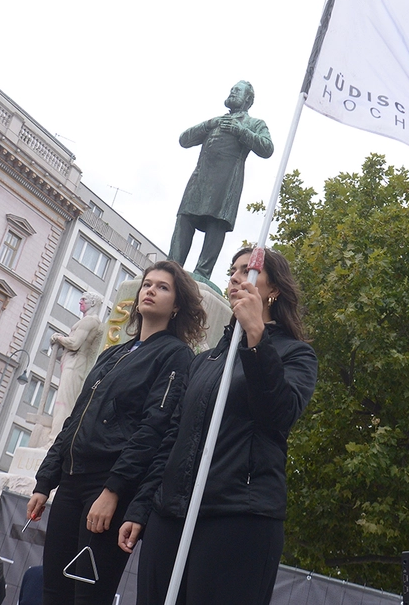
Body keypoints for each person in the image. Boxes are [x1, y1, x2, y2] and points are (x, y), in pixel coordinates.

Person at [119, 248, 318, 605]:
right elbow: (172, 438)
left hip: (237, 517)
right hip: (172, 514)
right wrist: (142, 506)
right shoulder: (205, 360)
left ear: (272, 289)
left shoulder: (296, 355)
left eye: (249, 271)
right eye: (233, 271)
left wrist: (257, 337)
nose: (237, 277)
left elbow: (279, 414)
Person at [26, 260, 206, 605]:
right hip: (70, 483)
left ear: (178, 304)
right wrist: (45, 481)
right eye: (147, 284)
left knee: (89, 596)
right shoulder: (112, 355)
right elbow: (76, 419)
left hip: (108, 487)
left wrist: (113, 491)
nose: (150, 290)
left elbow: (153, 430)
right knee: (53, 593)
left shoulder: (175, 356)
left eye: (162, 287)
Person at [169, 81, 273, 282]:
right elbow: (184, 140)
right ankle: (172, 266)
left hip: (226, 185)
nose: (233, 92)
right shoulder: (215, 122)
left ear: (248, 100)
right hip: (200, 180)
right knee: (184, 219)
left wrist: (240, 131)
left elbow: (267, 148)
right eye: (232, 89)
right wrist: (209, 124)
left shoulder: (253, 124)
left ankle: (202, 273)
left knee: (216, 223)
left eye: (238, 90)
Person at [42, 292, 106, 446]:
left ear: (93, 303)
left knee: (64, 404)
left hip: (75, 364)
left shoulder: (89, 321)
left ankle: (54, 441)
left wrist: (58, 338)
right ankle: (55, 439)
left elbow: (74, 343)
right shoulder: (89, 321)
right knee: (62, 402)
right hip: (72, 362)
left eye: (84, 299)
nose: (80, 302)